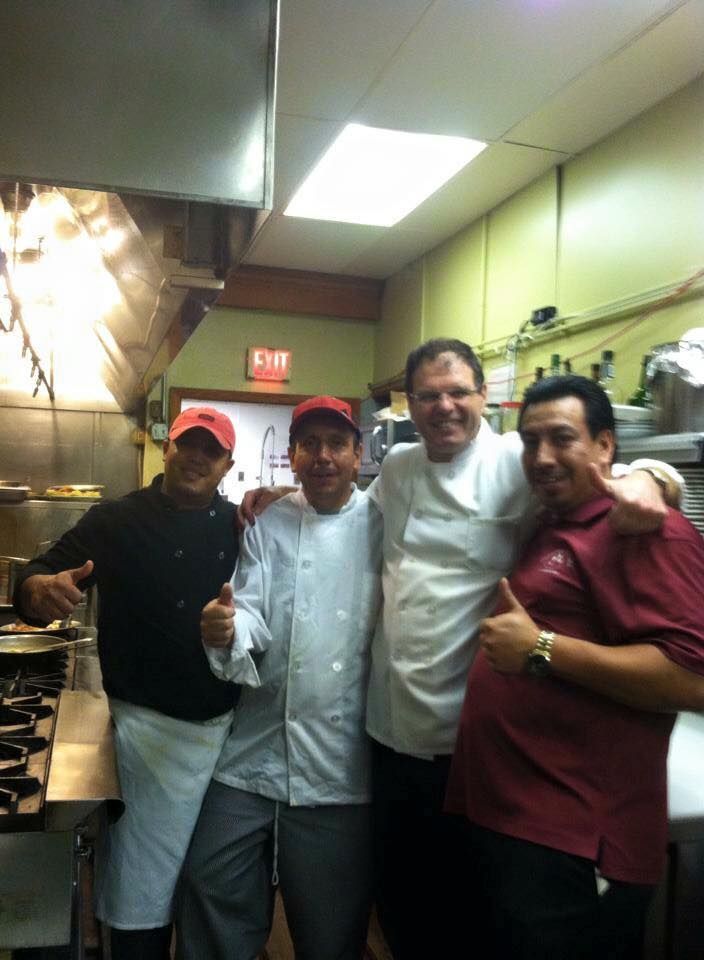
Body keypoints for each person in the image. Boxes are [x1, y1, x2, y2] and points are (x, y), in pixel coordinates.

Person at [241, 338, 677, 959]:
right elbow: (346, 518)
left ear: (484, 398)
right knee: (401, 910)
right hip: (388, 737)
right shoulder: (398, 467)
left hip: (470, 746)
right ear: (410, 405)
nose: (443, 407)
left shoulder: (517, 462)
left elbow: (592, 480)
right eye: (427, 396)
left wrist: (652, 476)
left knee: (469, 918)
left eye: (457, 393)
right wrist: (278, 499)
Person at [445, 373, 704, 960]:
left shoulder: (646, 530)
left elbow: (693, 679)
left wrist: (541, 647)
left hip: (575, 839)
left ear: (607, 446)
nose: (542, 457)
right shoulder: (555, 524)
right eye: (530, 442)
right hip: (520, 822)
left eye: (563, 438)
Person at [12, 406, 239, 960]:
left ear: (228, 463)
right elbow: (36, 574)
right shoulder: (116, 520)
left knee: (215, 883)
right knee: (142, 887)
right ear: (168, 447)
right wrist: (37, 590)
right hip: (145, 733)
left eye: (211, 450)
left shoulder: (238, 523)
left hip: (227, 736)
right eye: (189, 443)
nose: (196, 457)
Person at [177, 396, 383, 960]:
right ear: (291, 456)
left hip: (337, 768)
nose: (322, 457)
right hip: (255, 751)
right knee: (209, 881)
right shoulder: (269, 522)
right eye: (309, 444)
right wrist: (228, 628)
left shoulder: (384, 522)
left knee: (330, 930)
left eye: (336, 444)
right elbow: (250, 606)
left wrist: (656, 476)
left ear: (357, 454)